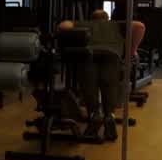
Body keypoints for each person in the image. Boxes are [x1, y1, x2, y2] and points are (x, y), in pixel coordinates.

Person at [57, 9, 145, 140]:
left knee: (90, 86)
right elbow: (139, 26)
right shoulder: (115, 24)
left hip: (89, 55)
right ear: (107, 18)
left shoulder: (84, 24)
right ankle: (109, 116)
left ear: (92, 19)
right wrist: (132, 51)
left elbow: (63, 25)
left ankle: (94, 115)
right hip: (111, 55)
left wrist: (77, 26)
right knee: (109, 85)